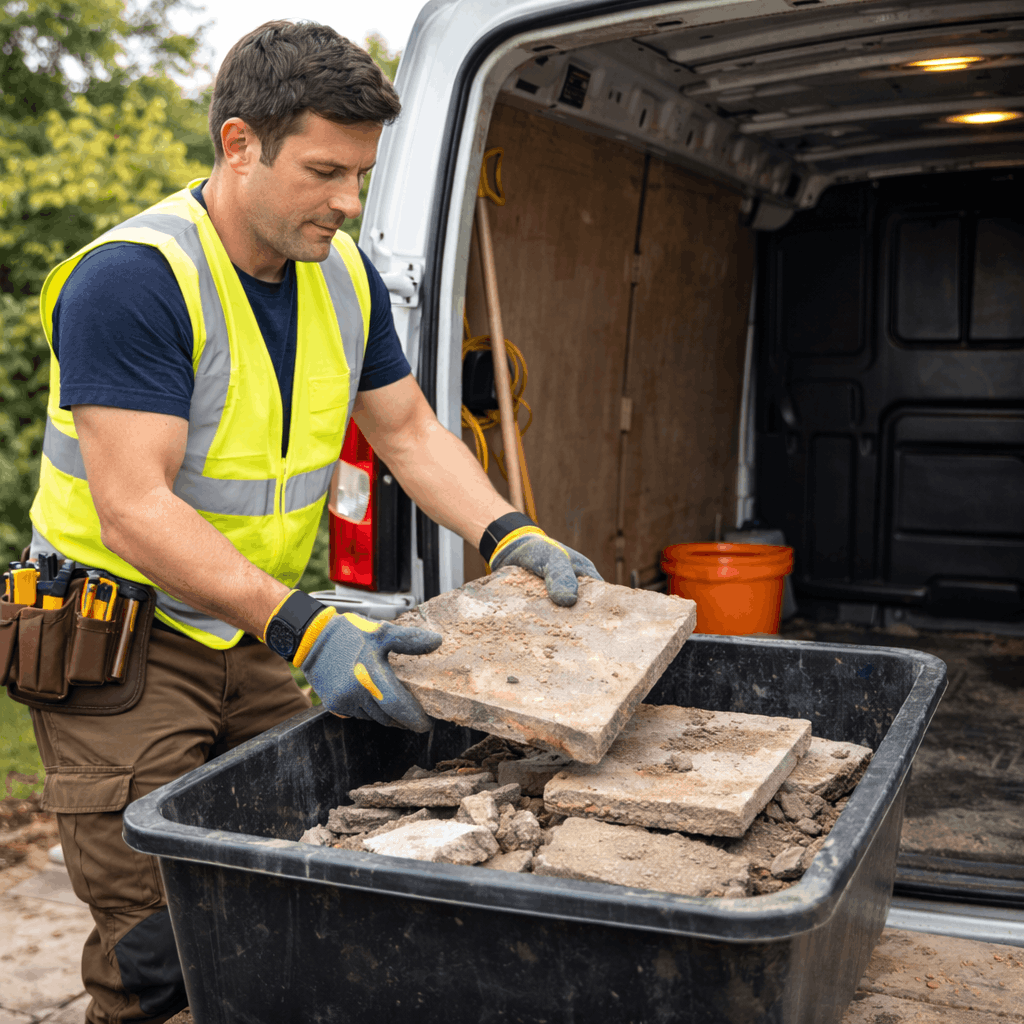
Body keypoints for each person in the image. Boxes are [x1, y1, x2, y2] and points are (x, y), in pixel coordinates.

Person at [25, 21, 599, 1024]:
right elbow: (133, 507)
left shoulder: (341, 275)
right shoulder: (135, 280)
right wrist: (306, 627)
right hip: (118, 642)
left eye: (362, 177)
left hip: (253, 626)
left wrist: (510, 533)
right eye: (324, 171)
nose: (347, 202)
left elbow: (412, 432)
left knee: (303, 876)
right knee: (159, 941)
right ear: (238, 144)